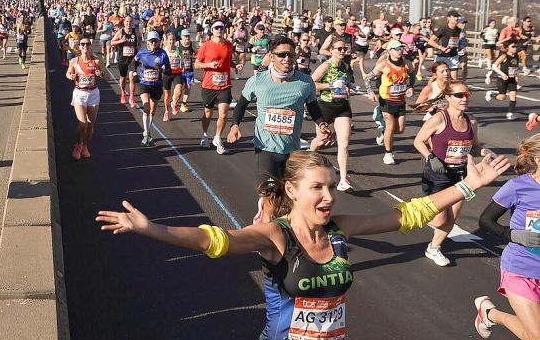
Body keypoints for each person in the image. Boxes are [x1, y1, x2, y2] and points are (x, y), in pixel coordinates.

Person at [96, 149, 510, 340]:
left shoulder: (339, 230)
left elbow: (407, 215)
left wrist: (468, 186)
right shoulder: (276, 235)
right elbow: (216, 240)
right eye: (318, 188)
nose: (329, 196)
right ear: (292, 190)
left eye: (331, 186)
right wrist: (153, 229)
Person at [227, 36, 332, 223]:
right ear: (271, 56)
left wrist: (322, 124)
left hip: (292, 151)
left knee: (291, 200)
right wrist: (235, 125)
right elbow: (241, 105)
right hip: (265, 149)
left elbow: (314, 108)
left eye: (290, 55)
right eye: (281, 54)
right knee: (272, 201)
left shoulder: (305, 82)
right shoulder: (258, 80)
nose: (287, 59)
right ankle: (268, 245)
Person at [412, 81, 487, 267]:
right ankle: (419, 211)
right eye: (459, 95)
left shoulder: (471, 121)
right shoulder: (439, 119)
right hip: (438, 174)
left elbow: (475, 148)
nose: (464, 98)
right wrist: (431, 157)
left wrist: (487, 154)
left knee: (452, 218)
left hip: (460, 175)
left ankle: (433, 248)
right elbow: (418, 141)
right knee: (440, 219)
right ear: (448, 97)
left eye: (466, 95)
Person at [474, 133, 540, 339]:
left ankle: (489, 314)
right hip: (521, 269)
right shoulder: (518, 186)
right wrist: (514, 235)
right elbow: (485, 221)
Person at [310, 38, 356, 192]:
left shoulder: (345, 66)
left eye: (344, 49)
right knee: (321, 140)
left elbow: (347, 83)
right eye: (339, 49)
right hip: (325, 106)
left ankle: (343, 179)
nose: (342, 51)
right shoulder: (325, 66)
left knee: (344, 143)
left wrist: (350, 87)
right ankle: (308, 158)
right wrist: (330, 86)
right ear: (331, 50)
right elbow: (311, 84)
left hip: (342, 107)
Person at [366, 39, 415, 165]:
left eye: (401, 49)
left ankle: (382, 129)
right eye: (397, 49)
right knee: (391, 126)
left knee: (400, 130)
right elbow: (368, 79)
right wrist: (370, 92)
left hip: (400, 100)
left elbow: (412, 75)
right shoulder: (384, 65)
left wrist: (410, 86)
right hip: (386, 100)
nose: (400, 51)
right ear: (390, 51)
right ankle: (388, 154)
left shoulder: (407, 64)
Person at [195, 20, 234, 154]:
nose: (219, 30)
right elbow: (197, 64)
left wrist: (235, 66)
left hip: (225, 84)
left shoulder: (229, 45)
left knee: (223, 113)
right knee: (208, 113)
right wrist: (209, 65)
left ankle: (217, 138)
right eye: (216, 28)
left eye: (221, 28)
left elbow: (229, 60)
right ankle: (205, 135)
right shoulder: (205, 46)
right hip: (209, 85)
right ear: (212, 30)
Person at [66, 35, 104, 159]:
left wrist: (101, 73)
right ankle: (78, 145)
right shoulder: (74, 61)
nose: (85, 46)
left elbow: (106, 76)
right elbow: (68, 73)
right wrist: (70, 76)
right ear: (80, 47)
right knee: (83, 124)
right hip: (79, 93)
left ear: (91, 46)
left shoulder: (97, 61)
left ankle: (84, 145)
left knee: (90, 125)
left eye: (87, 44)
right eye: (82, 44)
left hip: (93, 93)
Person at [132, 30, 172, 147]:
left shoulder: (163, 54)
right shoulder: (142, 53)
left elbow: (169, 71)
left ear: (159, 42)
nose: (154, 43)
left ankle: (148, 133)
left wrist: (162, 70)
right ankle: (145, 134)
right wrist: (134, 73)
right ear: (147, 42)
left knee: (152, 111)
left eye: (155, 41)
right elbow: (133, 63)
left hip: (157, 85)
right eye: (151, 41)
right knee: (146, 107)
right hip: (144, 83)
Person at [486, 39, 522, 120]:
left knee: (514, 96)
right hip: (502, 79)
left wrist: (517, 80)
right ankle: (490, 94)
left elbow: (516, 68)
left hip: (512, 79)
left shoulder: (516, 56)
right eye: (513, 46)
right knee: (502, 98)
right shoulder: (504, 56)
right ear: (507, 48)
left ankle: (510, 114)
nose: (515, 48)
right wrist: (502, 74)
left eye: (516, 46)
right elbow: (494, 66)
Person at [428, 10, 464, 80]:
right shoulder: (443, 28)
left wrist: (461, 48)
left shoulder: (458, 30)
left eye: (457, 17)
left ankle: (449, 90)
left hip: (453, 56)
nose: (456, 18)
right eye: (454, 16)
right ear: (448, 18)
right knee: (436, 78)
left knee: (454, 80)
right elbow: (431, 41)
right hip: (442, 56)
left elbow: (456, 42)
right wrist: (442, 48)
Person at [111, 16, 139, 106]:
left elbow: (139, 41)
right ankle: (123, 93)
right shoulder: (121, 32)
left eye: (130, 21)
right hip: (122, 58)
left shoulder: (136, 32)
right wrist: (120, 41)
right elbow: (112, 42)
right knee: (123, 77)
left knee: (132, 78)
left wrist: (138, 50)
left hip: (132, 59)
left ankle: (131, 96)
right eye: (127, 21)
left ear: (133, 22)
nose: (128, 23)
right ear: (124, 23)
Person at [161, 32, 184, 122]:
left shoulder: (178, 50)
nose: (171, 41)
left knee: (178, 92)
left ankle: (174, 103)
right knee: (167, 95)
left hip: (177, 73)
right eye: (170, 39)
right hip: (167, 74)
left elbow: (181, 60)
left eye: (173, 39)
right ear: (166, 41)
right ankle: (166, 112)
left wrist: (183, 66)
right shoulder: (164, 51)